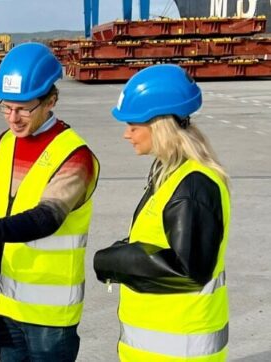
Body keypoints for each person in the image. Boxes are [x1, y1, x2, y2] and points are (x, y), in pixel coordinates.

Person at [0, 42, 100, 362]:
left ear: (51, 100)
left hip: (47, 317)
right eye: (6, 107)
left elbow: (44, 219)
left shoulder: (74, 156)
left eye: (24, 108)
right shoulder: (5, 142)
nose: (13, 118)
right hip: (2, 304)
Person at [93, 64, 230, 361]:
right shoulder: (170, 173)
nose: (126, 135)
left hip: (179, 351)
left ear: (160, 126)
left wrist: (112, 261)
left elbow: (188, 270)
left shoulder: (193, 186)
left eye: (133, 126)